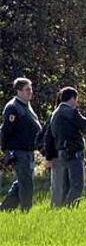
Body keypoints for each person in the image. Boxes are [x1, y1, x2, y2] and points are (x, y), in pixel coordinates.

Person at [0, 78, 41, 212]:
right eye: (27, 89)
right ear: (19, 91)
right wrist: (5, 149)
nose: (30, 92)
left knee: (23, 181)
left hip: (28, 150)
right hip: (19, 151)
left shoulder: (25, 105)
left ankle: (6, 208)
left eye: (31, 89)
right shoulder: (13, 107)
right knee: (26, 183)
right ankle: (26, 210)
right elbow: (6, 130)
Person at [50, 87, 86, 207]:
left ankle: (62, 208)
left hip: (61, 152)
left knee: (66, 185)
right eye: (76, 99)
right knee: (77, 184)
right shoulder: (70, 112)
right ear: (72, 98)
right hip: (73, 152)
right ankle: (70, 209)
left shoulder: (55, 113)